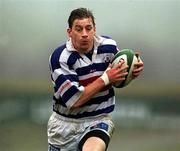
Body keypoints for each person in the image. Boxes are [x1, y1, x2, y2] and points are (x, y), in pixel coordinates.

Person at [47, 7, 144, 151]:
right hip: (64, 127)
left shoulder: (109, 47)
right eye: (79, 29)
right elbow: (75, 100)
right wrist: (106, 78)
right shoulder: (60, 58)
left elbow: (118, 72)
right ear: (69, 32)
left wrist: (132, 69)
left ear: (94, 29)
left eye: (88, 28)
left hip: (98, 120)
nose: (84, 34)